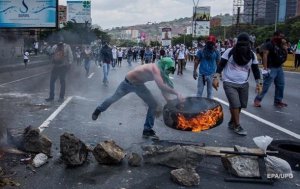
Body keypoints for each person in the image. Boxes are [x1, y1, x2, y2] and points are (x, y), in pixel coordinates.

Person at [91, 50, 184, 140]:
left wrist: (169, 101)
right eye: (168, 68)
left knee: (153, 105)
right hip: (127, 83)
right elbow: (161, 86)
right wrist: (177, 93)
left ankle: (147, 130)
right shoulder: (154, 68)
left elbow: (162, 88)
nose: (168, 71)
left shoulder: (160, 71)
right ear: (164, 65)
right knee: (114, 98)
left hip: (139, 86)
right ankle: (99, 109)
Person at [213, 32, 262, 136]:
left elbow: (256, 70)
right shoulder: (229, 52)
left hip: (244, 83)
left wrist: (259, 83)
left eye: (246, 44)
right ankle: (237, 126)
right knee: (235, 104)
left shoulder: (252, 55)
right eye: (241, 44)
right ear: (237, 43)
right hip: (229, 82)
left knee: (241, 105)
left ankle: (232, 121)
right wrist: (216, 78)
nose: (243, 46)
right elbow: (221, 65)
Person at [254, 31, 288, 108]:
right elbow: (265, 55)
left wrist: (285, 47)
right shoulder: (269, 44)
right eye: (280, 36)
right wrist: (265, 68)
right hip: (271, 67)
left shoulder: (280, 45)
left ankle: (278, 101)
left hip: (279, 67)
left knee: (281, 85)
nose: (282, 38)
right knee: (266, 85)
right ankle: (257, 100)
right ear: (275, 36)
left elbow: (284, 56)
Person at [45, 36, 73, 102]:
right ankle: (61, 97)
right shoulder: (67, 46)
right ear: (63, 40)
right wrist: (70, 63)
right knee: (62, 82)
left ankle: (51, 97)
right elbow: (70, 56)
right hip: (63, 66)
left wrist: (48, 47)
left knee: (52, 82)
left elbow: (50, 53)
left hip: (56, 66)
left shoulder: (54, 46)